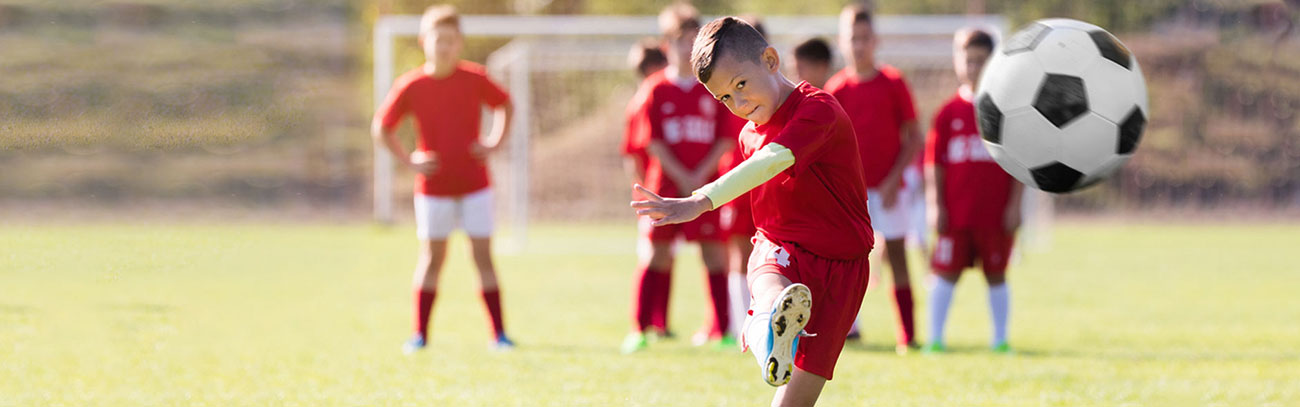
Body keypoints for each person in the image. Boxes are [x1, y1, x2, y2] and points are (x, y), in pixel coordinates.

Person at [634, 16, 873, 406]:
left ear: (771, 60)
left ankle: (773, 335)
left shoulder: (818, 109)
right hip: (780, 246)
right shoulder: (748, 134)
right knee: (770, 287)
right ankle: (771, 330)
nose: (739, 104)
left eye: (740, 85)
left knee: (795, 401)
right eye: (725, 98)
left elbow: (772, 161)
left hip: (843, 265)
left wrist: (700, 200)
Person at [372, 5, 515, 353]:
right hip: (433, 189)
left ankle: (498, 335)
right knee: (432, 259)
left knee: (483, 257)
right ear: (425, 42)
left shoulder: (475, 78)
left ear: (460, 43)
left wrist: (494, 142)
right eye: (438, 39)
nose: (445, 46)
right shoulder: (412, 84)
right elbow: (382, 128)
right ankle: (419, 335)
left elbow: (506, 105)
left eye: (451, 40)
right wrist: (410, 161)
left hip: (475, 185)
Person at [622, 2, 736, 353]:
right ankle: (640, 328)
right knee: (656, 256)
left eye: (693, 41)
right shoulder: (655, 90)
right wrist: (682, 175)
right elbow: (651, 143)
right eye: (681, 40)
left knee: (713, 255)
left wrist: (700, 175)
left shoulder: (712, 88)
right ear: (666, 43)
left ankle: (721, 330)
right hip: (665, 187)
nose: (687, 48)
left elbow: (724, 139)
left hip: (705, 188)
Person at [825, 4, 924, 352]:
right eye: (853, 38)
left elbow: (915, 135)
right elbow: (827, 145)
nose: (859, 45)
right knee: (846, 261)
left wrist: (896, 179)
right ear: (842, 42)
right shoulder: (835, 90)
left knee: (896, 254)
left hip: (888, 189)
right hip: (850, 195)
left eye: (865, 38)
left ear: (876, 41)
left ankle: (907, 335)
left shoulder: (893, 82)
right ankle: (848, 329)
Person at [924, 28, 1023, 354]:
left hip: (994, 213)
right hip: (956, 212)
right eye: (969, 60)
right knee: (945, 273)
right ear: (957, 62)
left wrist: (1014, 205)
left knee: (996, 274)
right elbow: (933, 164)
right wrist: (936, 205)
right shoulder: (948, 113)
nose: (974, 67)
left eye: (981, 61)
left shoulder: (1004, 112)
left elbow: (1018, 162)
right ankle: (935, 338)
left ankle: (1000, 339)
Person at [621, 37, 674, 338]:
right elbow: (633, 153)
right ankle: (640, 324)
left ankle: (659, 323)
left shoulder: (652, 94)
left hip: (659, 191)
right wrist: (641, 190)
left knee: (665, 255)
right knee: (653, 255)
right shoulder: (645, 98)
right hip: (651, 192)